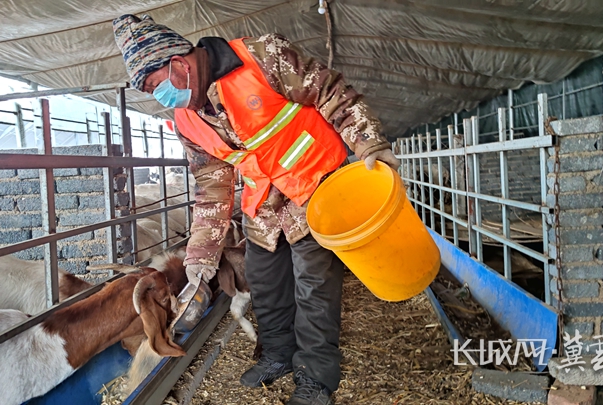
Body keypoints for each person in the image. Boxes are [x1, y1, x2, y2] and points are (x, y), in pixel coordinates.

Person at [113, 14, 399, 405]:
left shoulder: (263, 57)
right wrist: (200, 260)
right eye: (149, 90)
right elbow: (213, 186)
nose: (158, 96)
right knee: (265, 285)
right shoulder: (186, 121)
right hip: (262, 208)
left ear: (179, 62)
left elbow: (330, 91)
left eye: (156, 83)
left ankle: (316, 377)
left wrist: (369, 142)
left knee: (313, 287)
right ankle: (278, 355)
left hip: (316, 192)